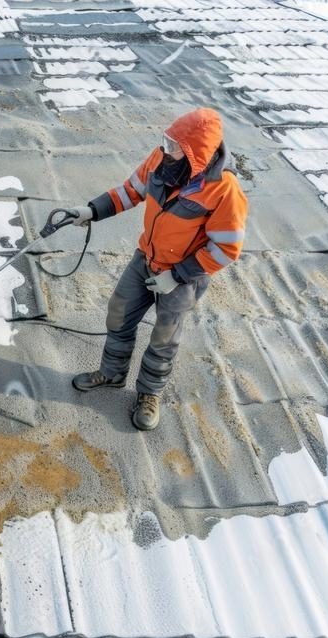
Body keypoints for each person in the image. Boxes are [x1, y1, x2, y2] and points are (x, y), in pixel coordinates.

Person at [42, 107, 248, 430]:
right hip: (147, 259)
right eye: (166, 140)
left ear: (196, 155)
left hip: (183, 276)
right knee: (119, 312)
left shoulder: (224, 190)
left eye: (174, 145)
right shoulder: (161, 160)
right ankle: (111, 373)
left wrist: (177, 276)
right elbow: (130, 191)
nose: (166, 149)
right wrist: (91, 211)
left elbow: (226, 248)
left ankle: (149, 394)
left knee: (164, 338)